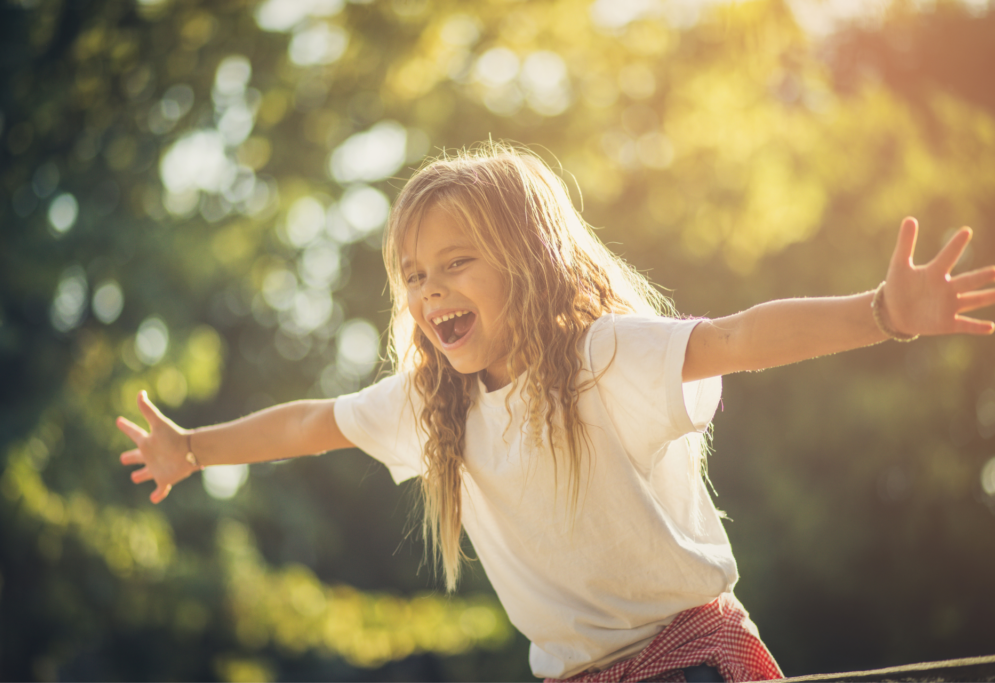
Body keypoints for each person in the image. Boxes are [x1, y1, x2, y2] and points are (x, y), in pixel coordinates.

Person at [116, 144, 995, 682]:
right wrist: (194, 446)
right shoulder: (434, 406)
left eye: (457, 263)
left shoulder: (602, 357)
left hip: (688, 662)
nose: (430, 291)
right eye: (414, 276)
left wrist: (879, 313)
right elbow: (313, 423)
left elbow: (736, 337)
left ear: (531, 262)